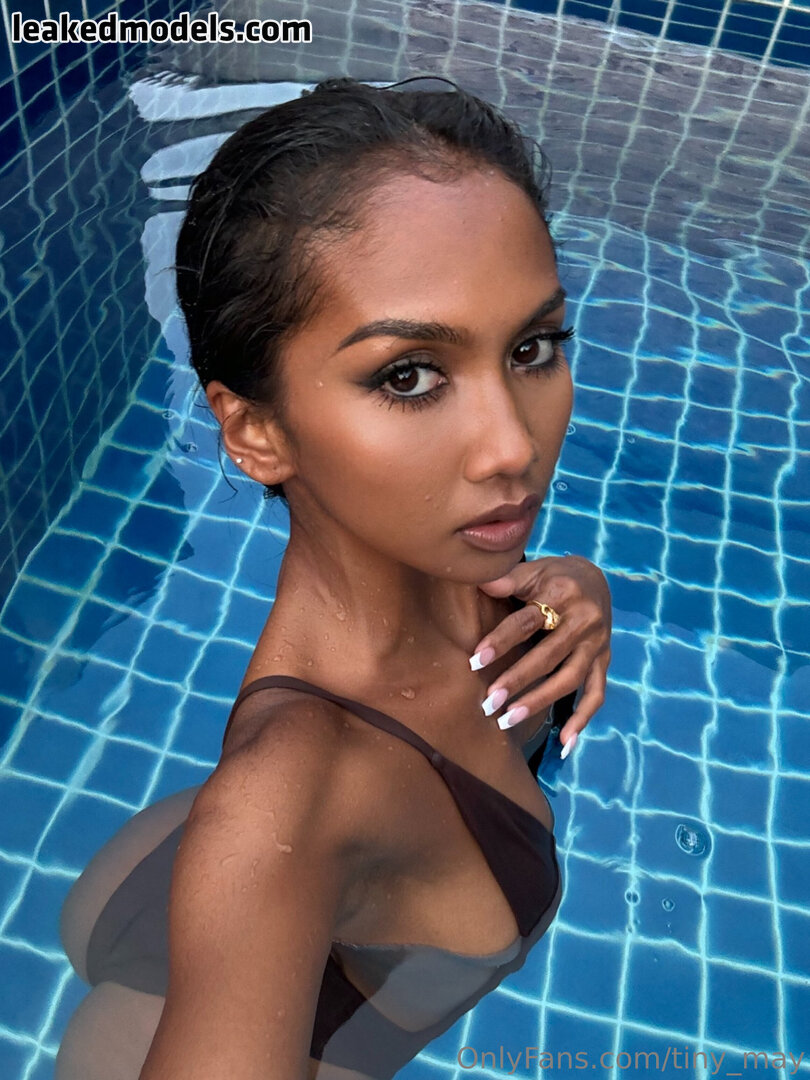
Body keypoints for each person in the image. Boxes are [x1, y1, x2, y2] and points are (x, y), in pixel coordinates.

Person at [56, 76, 612, 1080]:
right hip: (179, 985)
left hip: (209, 884)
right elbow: (277, 820)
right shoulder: (289, 798)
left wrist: (581, 590)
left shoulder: (485, 583)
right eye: (409, 375)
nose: (513, 446)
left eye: (533, 348)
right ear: (254, 431)